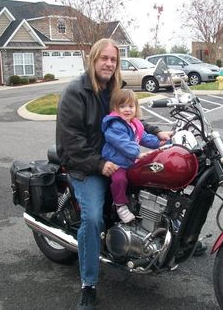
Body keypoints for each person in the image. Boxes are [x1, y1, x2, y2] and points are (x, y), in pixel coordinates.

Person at [56, 38, 172, 310]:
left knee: (159, 183)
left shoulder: (114, 89)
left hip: (115, 160)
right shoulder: (75, 92)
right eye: (104, 58)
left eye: (113, 59)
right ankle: (88, 284)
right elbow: (71, 141)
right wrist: (98, 164)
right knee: (93, 218)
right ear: (93, 59)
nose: (109, 63)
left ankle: (172, 240)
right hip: (87, 165)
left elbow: (132, 118)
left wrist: (157, 133)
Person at [102, 89, 167, 223]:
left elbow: (144, 138)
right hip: (116, 163)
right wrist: (138, 154)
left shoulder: (133, 124)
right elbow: (123, 143)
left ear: (136, 108)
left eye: (131, 106)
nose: (127, 109)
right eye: (122, 106)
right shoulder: (115, 126)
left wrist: (163, 142)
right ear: (115, 108)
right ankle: (120, 206)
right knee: (120, 180)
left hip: (130, 162)